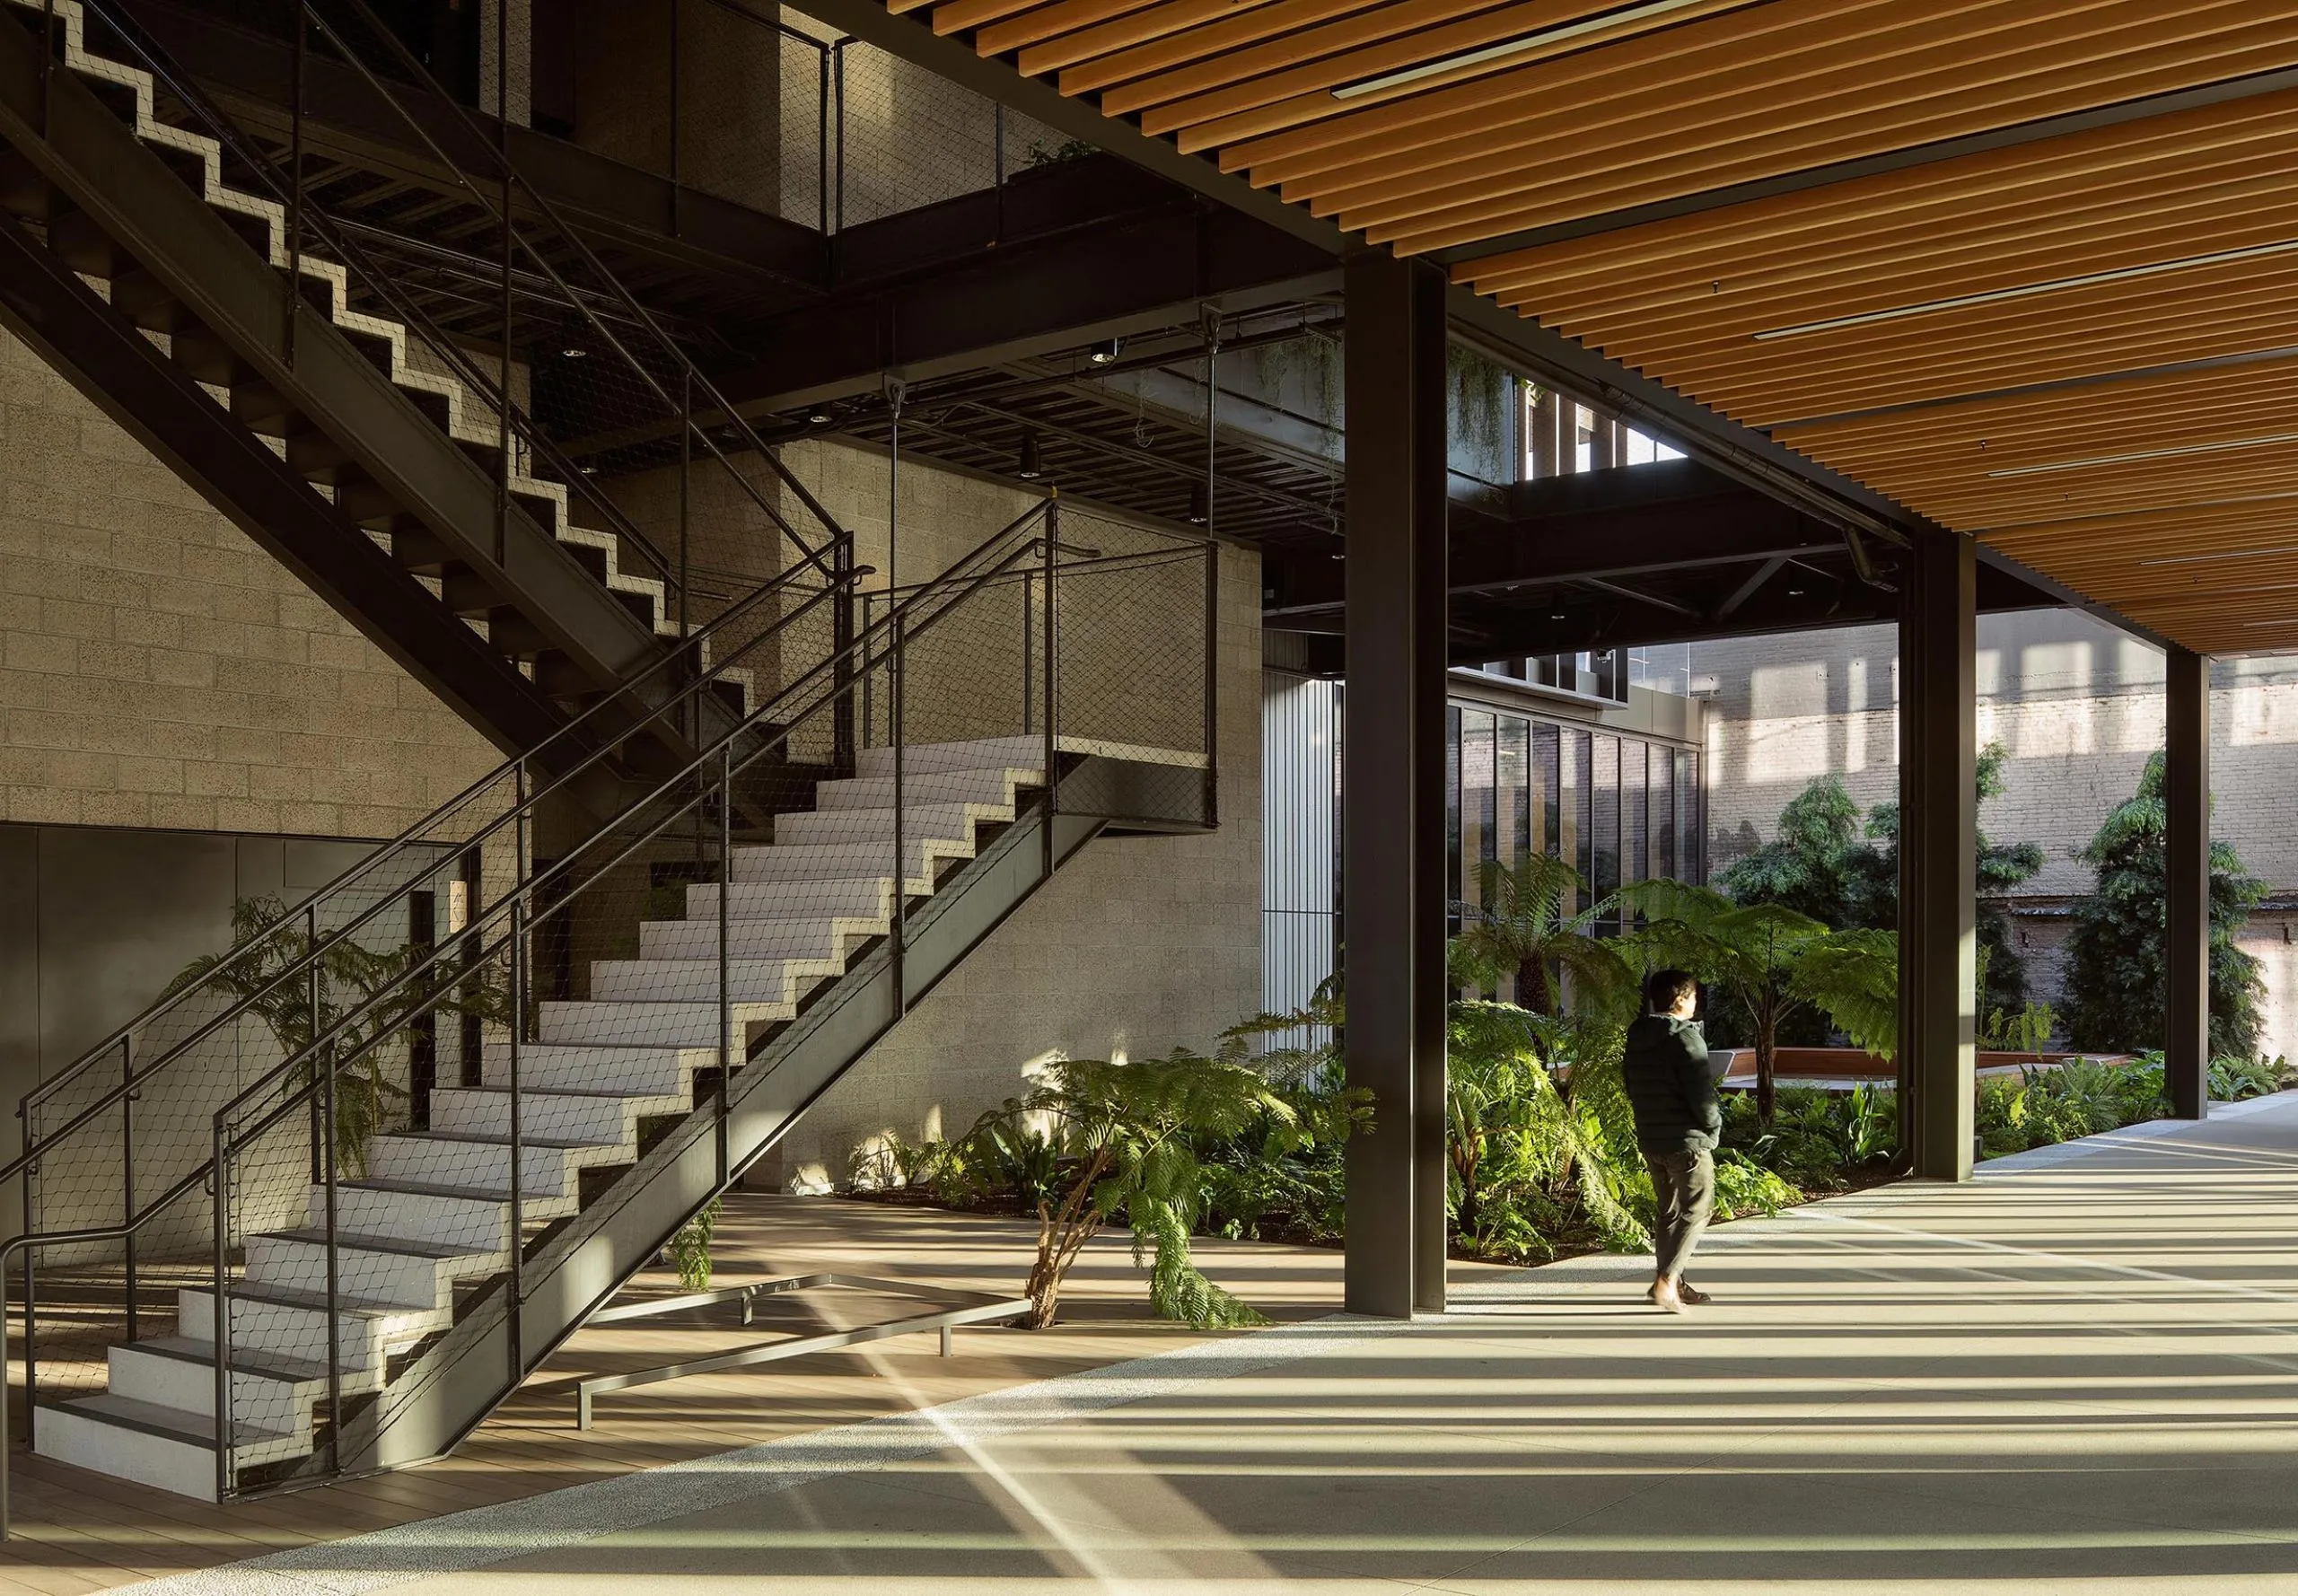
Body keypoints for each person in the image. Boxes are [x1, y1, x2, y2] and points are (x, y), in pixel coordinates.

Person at [1621, 968, 1720, 1312]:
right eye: (1693, 996)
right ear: (1681, 999)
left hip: (1652, 1138)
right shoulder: (1686, 1037)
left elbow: (1630, 1086)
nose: (1695, 1002)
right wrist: (1713, 1130)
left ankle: (1672, 1281)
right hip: (1687, 1141)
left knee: (1669, 1212)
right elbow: (1702, 1095)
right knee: (1697, 1209)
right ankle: (1667, 1281)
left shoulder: (1638, 1035)